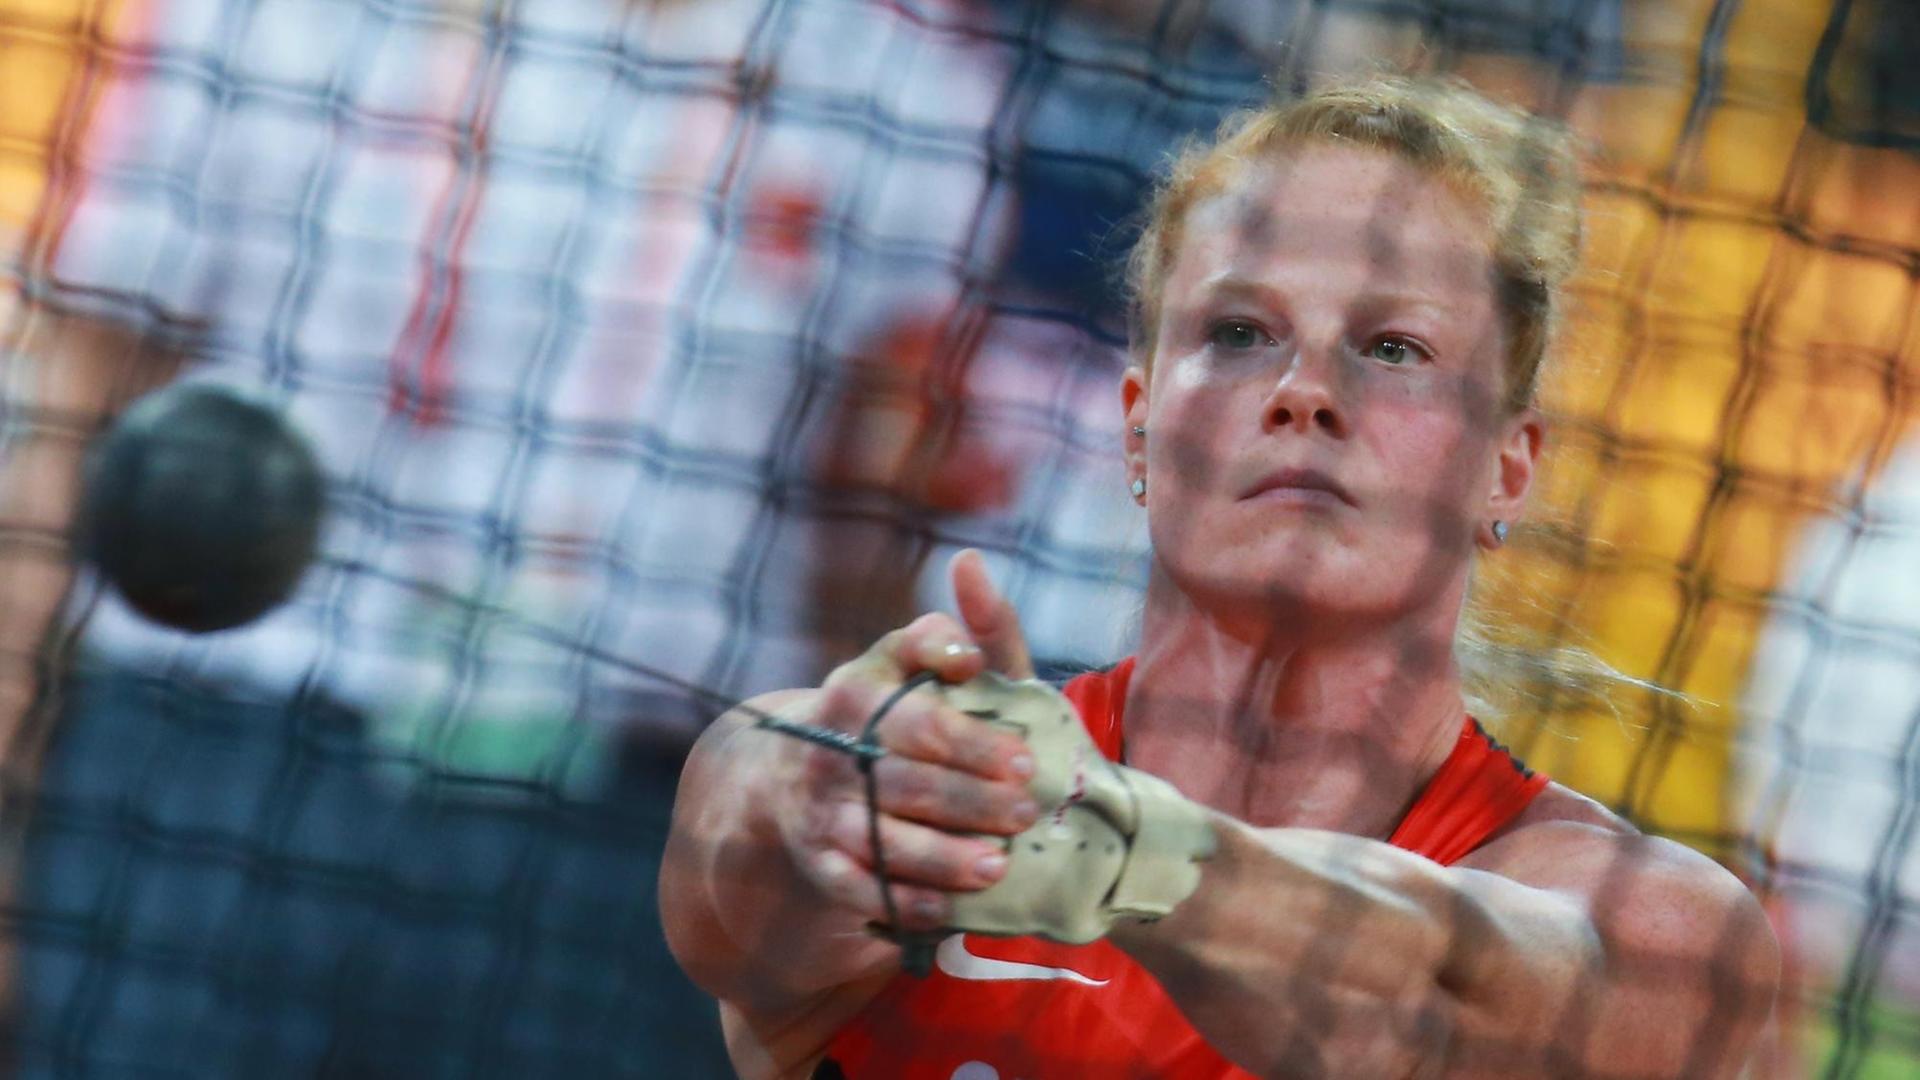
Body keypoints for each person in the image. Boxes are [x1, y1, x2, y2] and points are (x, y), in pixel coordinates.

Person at [660, 75, 1781, 1079]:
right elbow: (744, 814)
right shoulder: (926, 818)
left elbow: (1444, 1008)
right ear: (1140, 432)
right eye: (1241, 331)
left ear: (1507, 466)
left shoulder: (1658, 933)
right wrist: (829, 795)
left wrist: (1131, 856)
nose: (1305, 390)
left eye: (1395, 348)